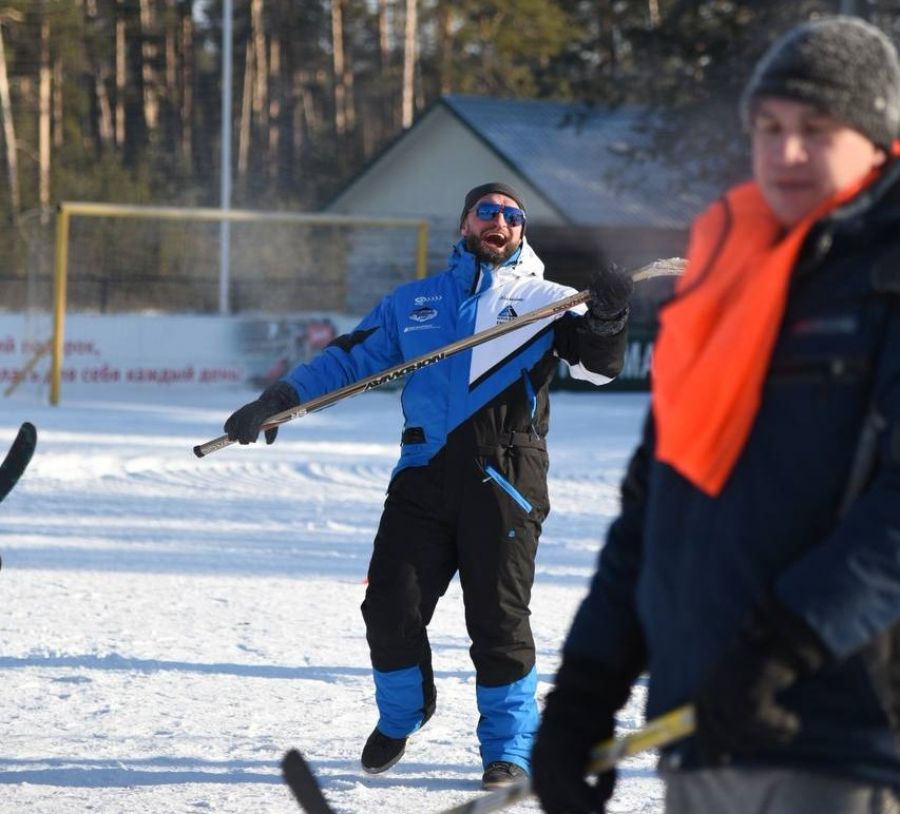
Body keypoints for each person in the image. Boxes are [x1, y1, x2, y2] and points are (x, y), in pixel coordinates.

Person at [531, 15, 900, 814]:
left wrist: (790, 641)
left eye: (815, 128)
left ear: (877, 138)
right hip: (702, 729)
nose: (786, 150)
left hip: (845, 735)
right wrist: (585, 690)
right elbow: (655, 510)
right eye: (768, 127)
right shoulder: (725, 280)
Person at [223, 182, 632, 789]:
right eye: (487, 212)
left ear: (521, 232)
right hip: (422, 474)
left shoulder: (548, 302)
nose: (500, 222)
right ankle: (404, 713)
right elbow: (347, 359)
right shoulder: (413, 303)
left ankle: (509, 752)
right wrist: (279, 400)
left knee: (497, 623)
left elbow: (600, 368)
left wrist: (607, 316)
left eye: (512, 217)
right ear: (464, 224)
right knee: (388, 605)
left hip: (505, 479)